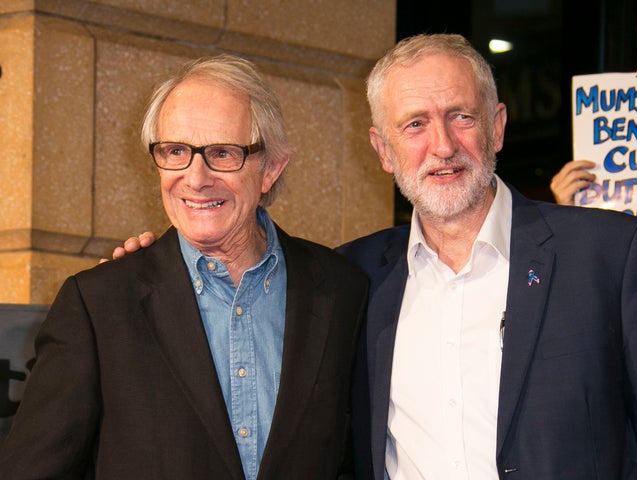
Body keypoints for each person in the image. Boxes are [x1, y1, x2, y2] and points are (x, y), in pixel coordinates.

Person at [109, 35, 637, 479]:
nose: (442, 145)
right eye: (415, 124)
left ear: (498, 127)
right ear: (382, 149)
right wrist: (157, 266)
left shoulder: (610, 255)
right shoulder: (347, 280)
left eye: (461, 117)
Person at [0, 55, 368, 480]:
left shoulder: (342, 290)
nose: (195, 178)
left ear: (269, 169)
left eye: (222, 153)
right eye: (175, 151)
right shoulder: (100, 305)